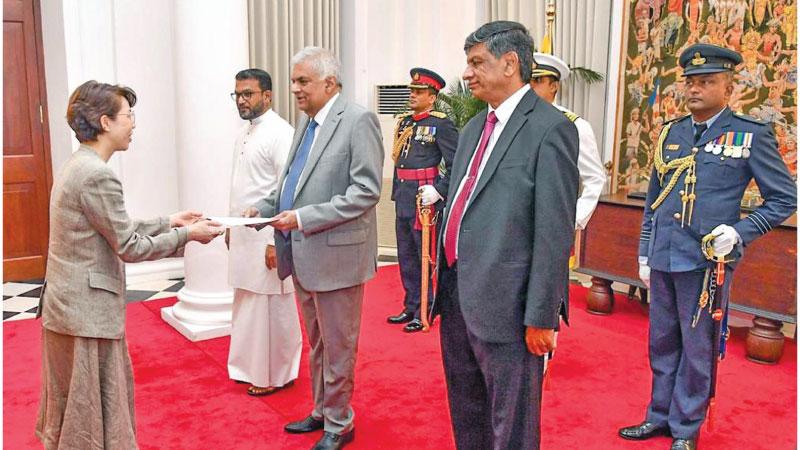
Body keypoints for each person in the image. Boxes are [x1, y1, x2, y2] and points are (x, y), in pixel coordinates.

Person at [620, 44, 796, 450]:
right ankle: (658, 416)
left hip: (705, 261)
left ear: (728, 86)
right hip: (664, 255)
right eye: (692, 82)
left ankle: (685, 428)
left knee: (696, 347)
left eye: (708, 82)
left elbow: (784, 198)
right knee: (661, 342)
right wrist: (645, 251)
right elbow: (655, 199)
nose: (696, 89)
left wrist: (741, 231)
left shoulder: (748, 135)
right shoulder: (671, 132)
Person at [35, 80, 223, 449]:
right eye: (128, 115)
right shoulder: (98, 174)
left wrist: (170, 220)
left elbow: (111, 227)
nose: (133, 124)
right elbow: (129, 246)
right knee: (89, 411)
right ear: (105, 122)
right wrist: (190, 235)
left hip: (68, 305)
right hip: (85, 312)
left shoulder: (79, 164)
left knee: (77, 406)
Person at [433, 21, 579, 449]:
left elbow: (554, 234)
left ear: (511, 63)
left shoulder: (550, 129)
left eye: (477, 62)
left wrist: (541, 316)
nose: (467, 73)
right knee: (467, 409)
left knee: (511, 425)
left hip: (510, 306)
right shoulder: (475, 128)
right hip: (458, 293)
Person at [244, 47, 383, 450]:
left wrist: (302, 219)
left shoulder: (358, 121)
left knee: (339, 346)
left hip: (337, 256)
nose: (295, 89)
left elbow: (366, 192)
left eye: (302, 81)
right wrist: (266, 207)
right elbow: (293, 182)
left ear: (329, 82)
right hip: (303, 254)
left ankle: (341, 423)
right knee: (319, 342)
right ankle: (322, 411)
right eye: (294, 81)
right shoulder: (307, 123)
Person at [226, 69, 302, 396]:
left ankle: (274, 374)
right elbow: (241, 186)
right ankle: (248, 367)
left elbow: (288, 189)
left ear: (267, 96)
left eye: (248, 94)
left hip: (267, 237)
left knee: (271, 306)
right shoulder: (245, 132)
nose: (241, 100)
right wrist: (230, 227)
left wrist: (277, 241)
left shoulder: (280, 132)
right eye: (237, 94)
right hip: (244, 234)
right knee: (247, 302)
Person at [387, 67, 457, 333]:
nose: (413, 95)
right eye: (412, 90)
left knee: (424, 254)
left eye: (419, 92)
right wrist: (396, 193)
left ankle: (425, 309)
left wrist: (439, 191)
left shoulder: (441, 124)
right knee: (406, 255)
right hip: (405, 196)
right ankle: (411, 303)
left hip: (424, 200)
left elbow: (456, 163)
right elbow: (399, 161)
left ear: (433, 96)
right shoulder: (405, 122)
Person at [530, 52, 606, 230]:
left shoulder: (574, 126)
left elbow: (595, 178)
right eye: (528, 81)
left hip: (552, 225)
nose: (531, 87)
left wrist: (574, 219)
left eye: (538, 81)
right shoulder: (515, 122)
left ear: (554, 86)